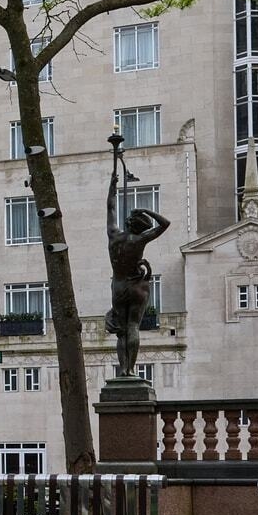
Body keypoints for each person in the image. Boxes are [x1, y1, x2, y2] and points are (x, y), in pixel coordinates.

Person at [105, 136, 170, 380]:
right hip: (137, 286)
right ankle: (131, 369)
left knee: (122, 331)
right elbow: (165, 224)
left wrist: (112, 187)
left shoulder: (114, 237)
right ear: (140, 227)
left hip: (119, 285)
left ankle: (123, 370)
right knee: (132, 326)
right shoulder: (140, 240)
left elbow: (110, 208)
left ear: (128, 224)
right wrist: (146, 209)